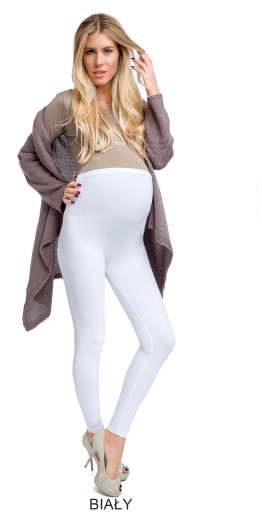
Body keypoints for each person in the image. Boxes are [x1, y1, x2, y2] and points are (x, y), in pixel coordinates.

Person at [18, 13, 175, 497]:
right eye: (90, 51)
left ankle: (112, 436)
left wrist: (153, 90)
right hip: (83, 235)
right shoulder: (67, 104)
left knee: (161, 339)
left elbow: (162, 155)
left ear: (122, 54)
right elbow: (28, 154)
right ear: (79, 57)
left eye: (107, 50)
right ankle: (93, 428)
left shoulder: (134, 108)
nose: (99, 60)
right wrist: (57, 189)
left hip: (127, 246)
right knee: (93, 338)